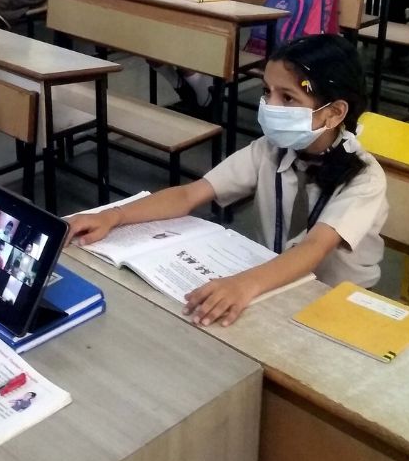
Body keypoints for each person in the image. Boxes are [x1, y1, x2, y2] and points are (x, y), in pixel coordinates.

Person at [68, 35, 387, 328]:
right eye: (267, 92)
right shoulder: (270, 150)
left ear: (334, 113)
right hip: (274, 284)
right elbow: (190, 195)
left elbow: (315, 247)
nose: (270, 106)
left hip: (338, 301)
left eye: (288, 98)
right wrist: (113, 216)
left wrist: (243, 284)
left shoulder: (364, 177)